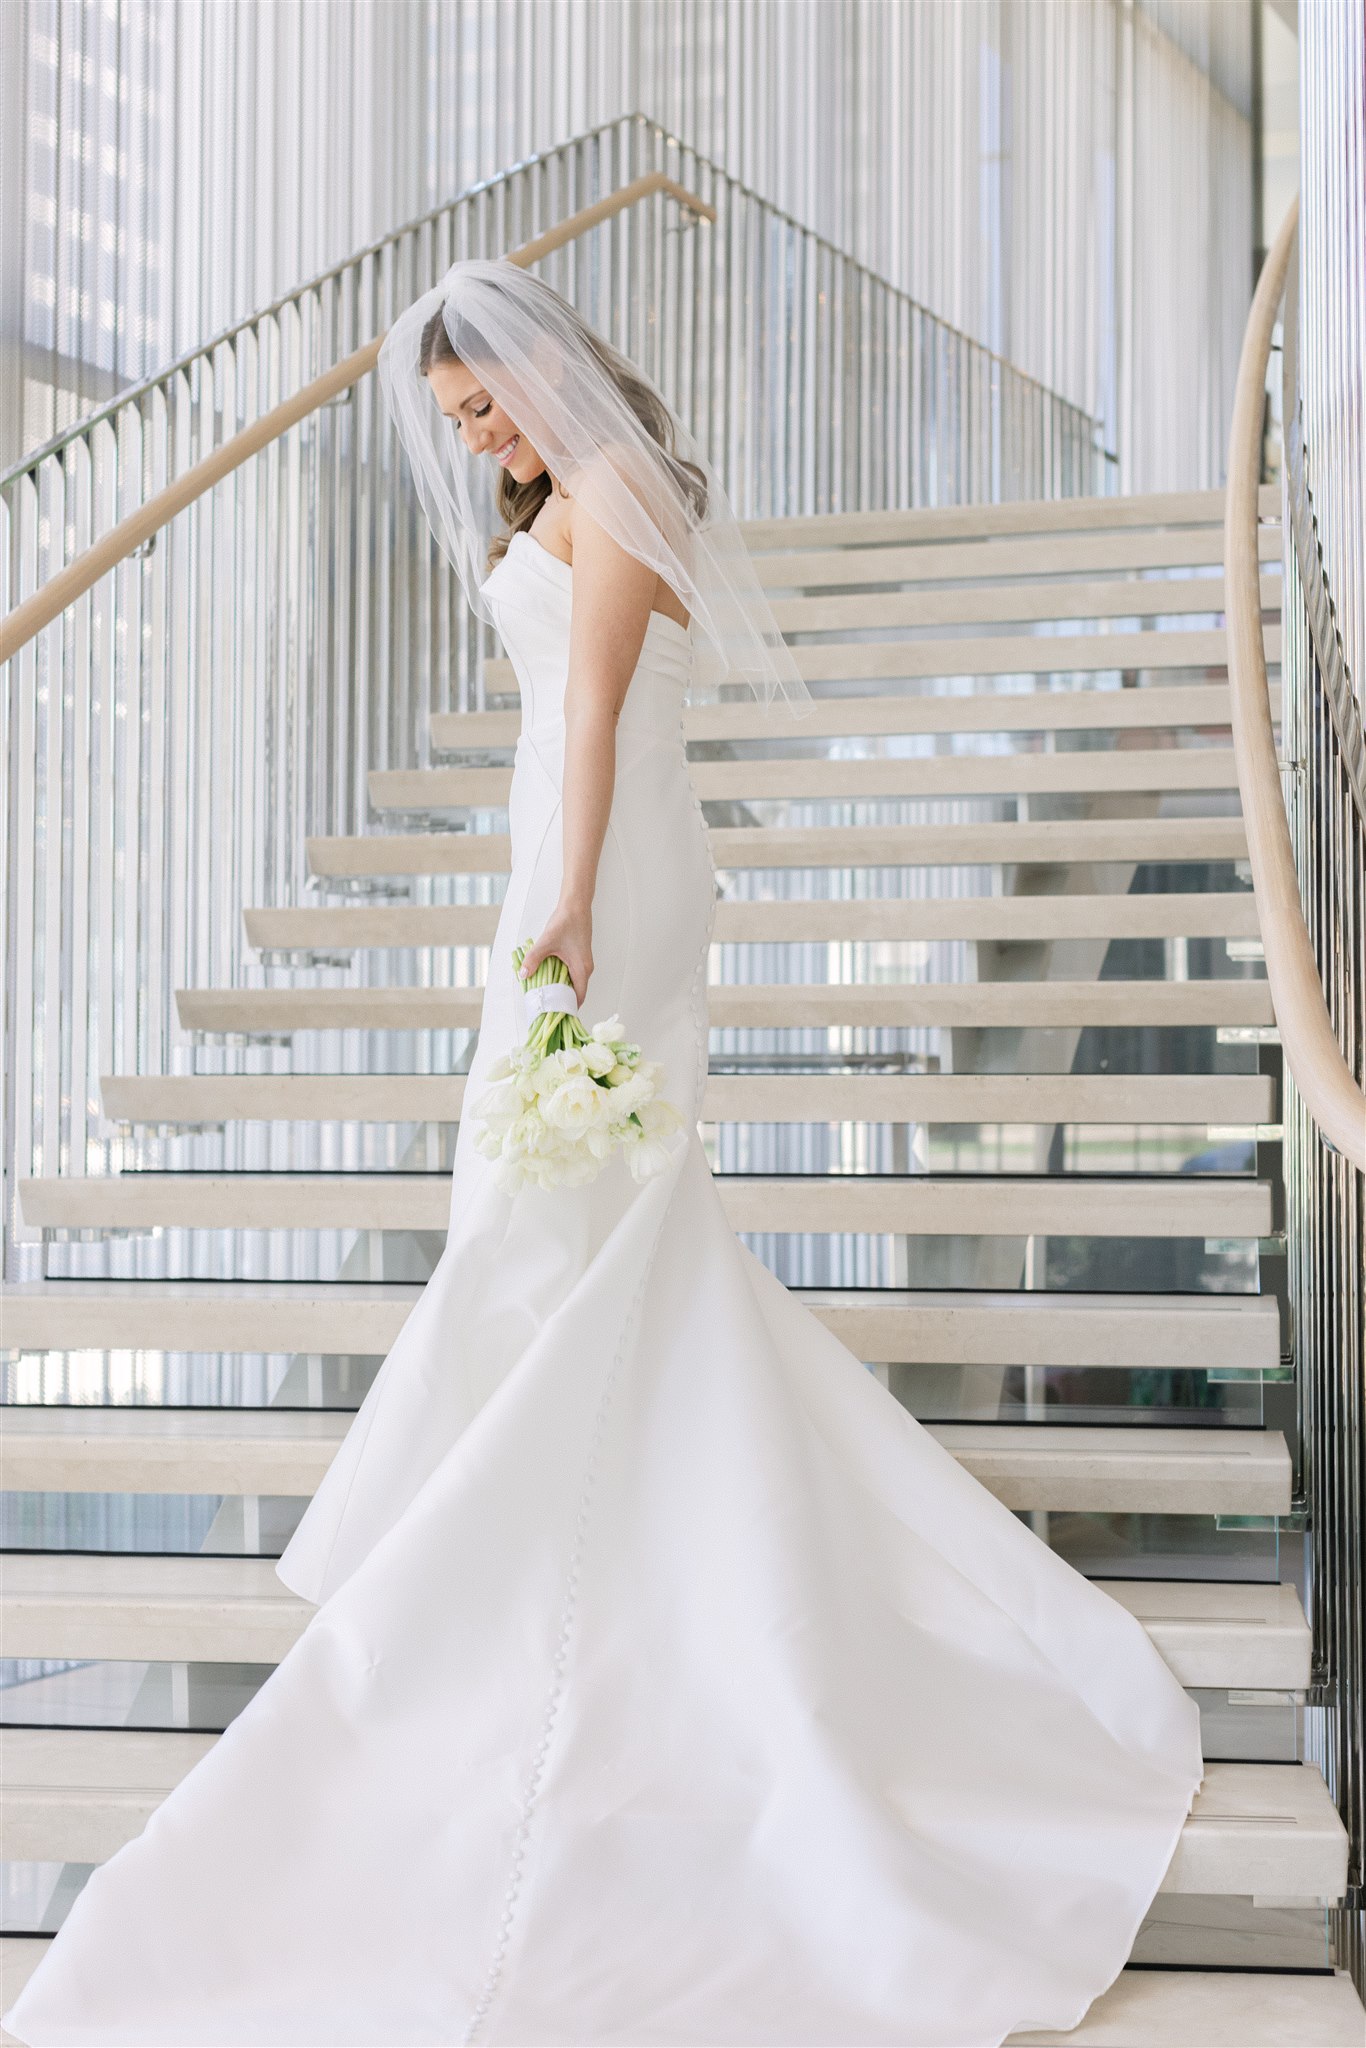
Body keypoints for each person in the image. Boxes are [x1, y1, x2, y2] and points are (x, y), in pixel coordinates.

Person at [3, 257, 1205, 2048]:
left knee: (562, 1202)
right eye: (460, 421)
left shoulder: (620, 496)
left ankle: (522, 1518)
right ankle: (526, 1498)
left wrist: (561, 902)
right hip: (557, 862)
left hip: (609, 871)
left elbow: (592, 714)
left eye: (490, 401)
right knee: (560, 1214)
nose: (479, 435)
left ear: (552, 369)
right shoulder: (559, 501)